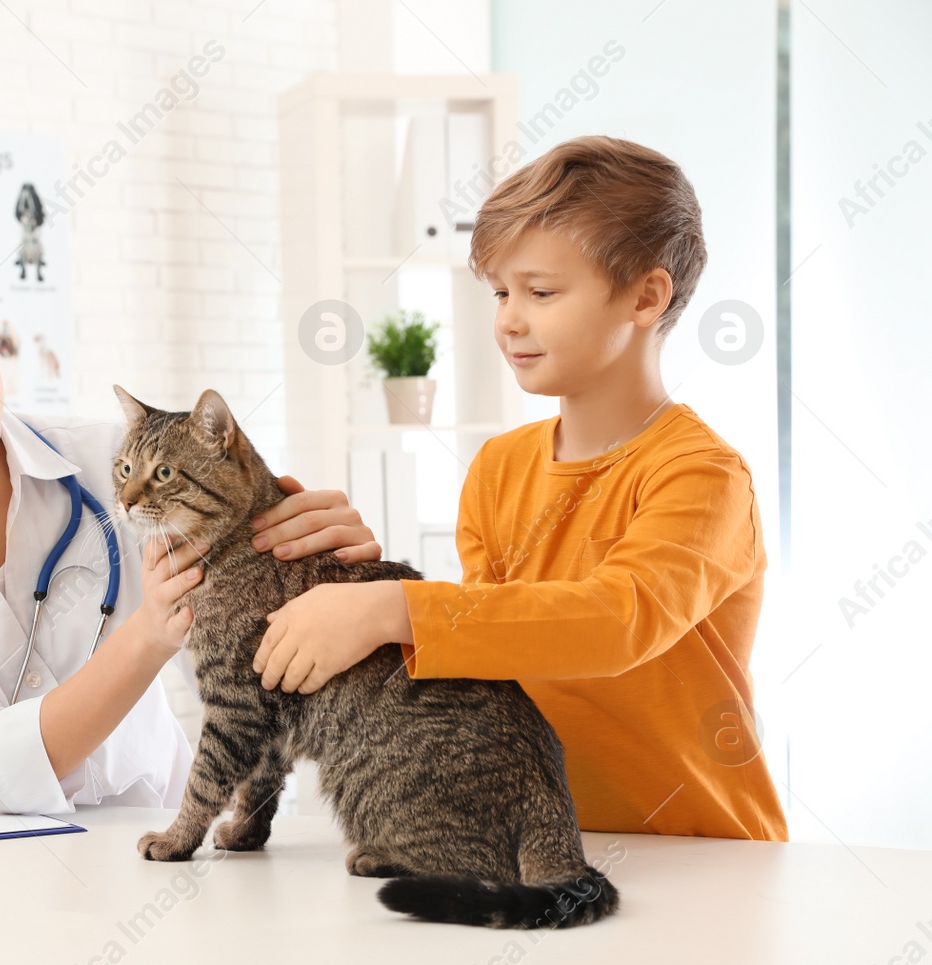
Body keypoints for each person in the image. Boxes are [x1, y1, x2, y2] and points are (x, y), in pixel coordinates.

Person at [253, 135, 789, 841]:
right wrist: (350, 578)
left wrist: (393, 606)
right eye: (501, 291)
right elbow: (502, 647)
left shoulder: (701, 475)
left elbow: (616, 621)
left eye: (540, 291)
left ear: (646, 296)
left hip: (703, 853)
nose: (508, 318)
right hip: (548, 848)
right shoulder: (500, 468)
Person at [0, 233, 381, 816]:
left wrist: (325, 571)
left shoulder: (120, 466)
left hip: (151, 841)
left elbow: (266, 636)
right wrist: (146, 636)